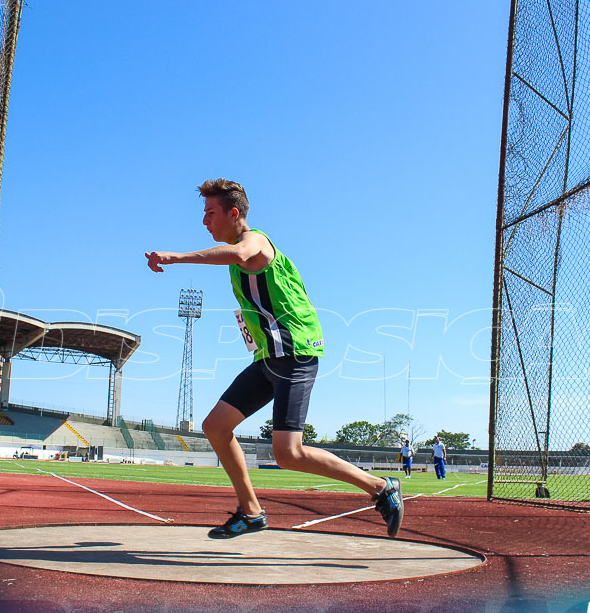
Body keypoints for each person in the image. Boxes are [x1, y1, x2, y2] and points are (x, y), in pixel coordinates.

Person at [146, 178, 404, 539]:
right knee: (215, 427)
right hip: (269, 359)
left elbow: (239, 254)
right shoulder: (238, 257)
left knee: (287, 453)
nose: (204, 221)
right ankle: (251, 512)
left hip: (296, 355)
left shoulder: (256, 242)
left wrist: (176, 257)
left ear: (234, 214)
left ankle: (380, 487)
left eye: (210, 213)